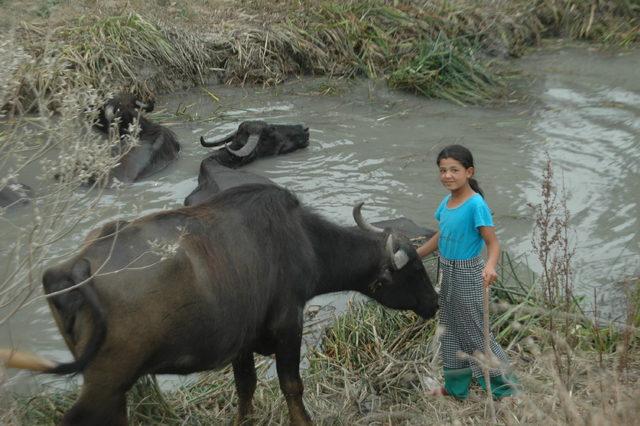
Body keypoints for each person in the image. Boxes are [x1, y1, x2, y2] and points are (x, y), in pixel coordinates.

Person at [417, 144, 517, 400]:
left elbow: (492, 243)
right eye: (442, 170)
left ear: (469, 172)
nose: (447, 176)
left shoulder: (476, 205)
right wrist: (415, 256)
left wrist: (490, 265)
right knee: (449, 331)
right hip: (447, 273)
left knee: (475, 333)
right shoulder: (447, 202)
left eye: (454, 170)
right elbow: (442, 236)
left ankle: (506, 389)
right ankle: (455, 388)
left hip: (469, 274)